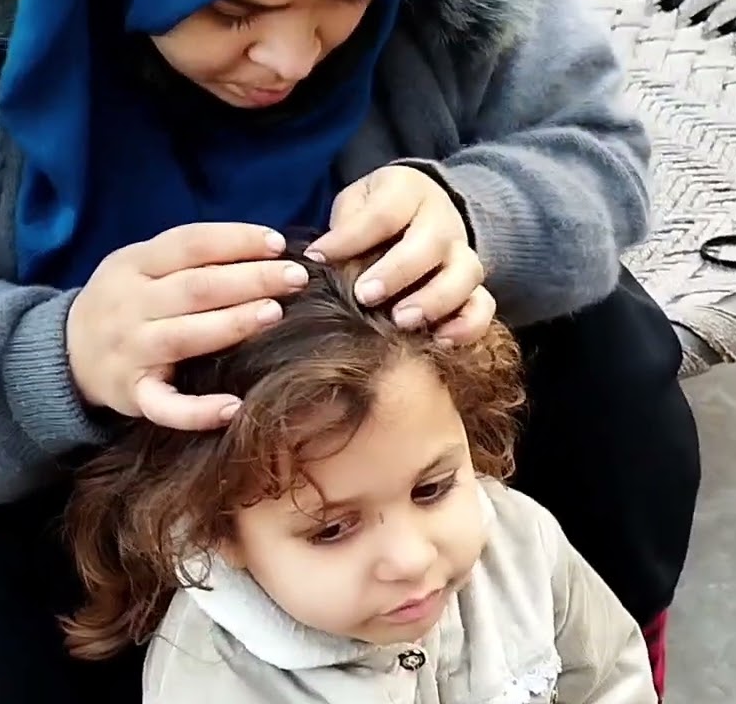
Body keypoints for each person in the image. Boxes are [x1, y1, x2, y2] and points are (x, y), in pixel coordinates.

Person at [0, 0, 699, 701]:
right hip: (63, 450)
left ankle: (572, 647)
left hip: (398, 384)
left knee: (615, 370)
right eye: (231, 9)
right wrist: (57, 357)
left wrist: (477, 215)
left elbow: (596, 158)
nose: (289, 58)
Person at [66, 245, 659, 703]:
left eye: (431, 489)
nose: (410, 559)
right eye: (331, 530)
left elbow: (610, 677)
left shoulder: (522, 542)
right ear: (216, 533)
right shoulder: (211, 682)